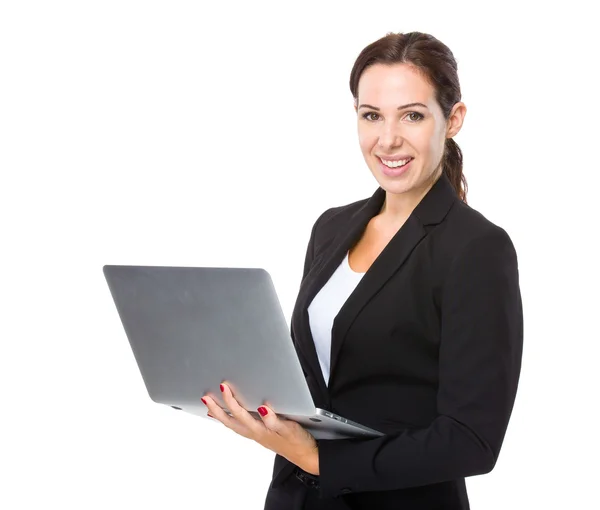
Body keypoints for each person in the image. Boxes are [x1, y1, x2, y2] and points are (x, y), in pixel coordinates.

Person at [201, 31, 523, 510]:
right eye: (371, 116)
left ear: (452, 120)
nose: (387, 139)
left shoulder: (476, 248)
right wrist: (255, 405)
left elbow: (471, 439)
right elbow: (319, 378)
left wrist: (320, 461)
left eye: (412, 115)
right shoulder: (332, 228)